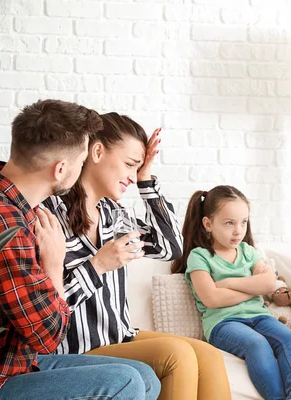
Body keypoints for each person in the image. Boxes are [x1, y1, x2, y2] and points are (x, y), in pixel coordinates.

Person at [0, 100, 160, 400]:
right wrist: (53, 264)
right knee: (126, 382)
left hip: (16, 363)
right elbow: (48, 336)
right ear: (61, 169)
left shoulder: (8, 202)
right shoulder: (5, 225)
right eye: (81, 160)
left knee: (145, 377)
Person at [42, 112, 231, 400]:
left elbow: (171, 248)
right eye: (130, 165)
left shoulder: (113, 216)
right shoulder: (49, 215)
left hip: (118, 336)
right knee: (177, 355)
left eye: (137, 169)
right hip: (76, 348)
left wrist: (146, 180)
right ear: (97, 151)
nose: (131, 176)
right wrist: (98, 265)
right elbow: (44, 305)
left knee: (208, 355)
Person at [171, 185, 291, 400]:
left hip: (260, 317)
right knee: (257, 344)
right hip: (224, 324)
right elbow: (211, 298)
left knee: (290, 340)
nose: (238, 230)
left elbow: (269, 283)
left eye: (243, 222)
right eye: (229, 223)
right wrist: (252, 287)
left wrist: (227, 283)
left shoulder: (248, 252)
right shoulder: (199, 257)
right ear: (208, 224)